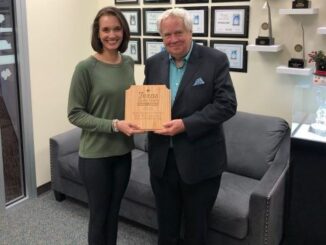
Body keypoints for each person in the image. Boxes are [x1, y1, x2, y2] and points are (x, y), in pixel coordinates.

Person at [143, 8, 237, 245]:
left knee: (196, 231)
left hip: (201, 162)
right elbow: (148, 99)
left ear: (190, 31)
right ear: (161, 37)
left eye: (178, 33)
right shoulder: (153, 63)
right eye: (166, 35)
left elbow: (227, 105)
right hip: (162, 161)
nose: (173, 40)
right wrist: (140, 119)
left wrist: (185, 124)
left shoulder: (215, 60)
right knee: (166, 228)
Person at [67, 6, 140, 245]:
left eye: (117, 29)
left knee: (113, 214)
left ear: (124, 31)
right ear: (97, 34)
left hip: (123, 154)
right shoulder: (85, 68)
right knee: (99, 217)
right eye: (105, 29)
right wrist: (115, 124)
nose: (112, 35)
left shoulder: (128, 62)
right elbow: (75, 114)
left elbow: (130, 103)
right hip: (95, 156)